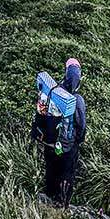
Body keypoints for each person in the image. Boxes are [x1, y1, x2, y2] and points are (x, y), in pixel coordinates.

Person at [31, 57, 86, 208]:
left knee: (51, 169)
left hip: (49, 142)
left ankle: (47, 196)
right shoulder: (77, 99)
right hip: (67, 147)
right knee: (66, 173)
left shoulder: (53, 92)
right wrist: (78, 142)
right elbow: (81, 127)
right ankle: (61, 203)